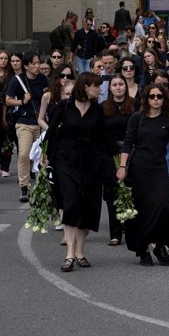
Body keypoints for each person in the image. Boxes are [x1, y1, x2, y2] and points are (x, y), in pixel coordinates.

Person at [47, 73, 109, 272]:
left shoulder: (97, 110)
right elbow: (51, 134)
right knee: (71, 203)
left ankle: (81, 252)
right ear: (86, 87)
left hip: (91, 162)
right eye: (96, 86)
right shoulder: (64, 107)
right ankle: (70, 254)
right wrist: (47, 158)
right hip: (66, 160)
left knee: (87, 205)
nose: (99, 90)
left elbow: (103, 138)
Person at [119, 83, 169, 266]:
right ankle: (143, 250)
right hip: (138, 169)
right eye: (152, 96)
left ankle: (159, 244)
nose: (156, 99)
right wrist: (122, 167)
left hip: (159, 169)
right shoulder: (137, 118)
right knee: (141, 210)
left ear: (164, 100)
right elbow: (127, 143)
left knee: (166, 208)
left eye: (159, 96)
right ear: (146, 99)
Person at [4, 52, 49, 203]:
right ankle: (24, 186)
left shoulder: (43, 79)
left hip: (41, 123)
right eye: (34, 63)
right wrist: (22, 101)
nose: (37, 66)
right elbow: (8, 100)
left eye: (38, 63)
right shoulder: (17, 80)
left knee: (42, 156)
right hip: (24, 122)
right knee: (24, 154)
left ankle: (43, 186)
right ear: (26, 66)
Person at [100, 75, 136, 245]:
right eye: (114, 84)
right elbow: (99, 131)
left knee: (131, 191)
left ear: (125, 86)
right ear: (110, 88)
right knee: (112, 193)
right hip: (110, 153)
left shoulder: (134, 104)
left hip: (131, 153)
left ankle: (131, 229)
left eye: (121, 84)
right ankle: (115, 233)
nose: (118, 87)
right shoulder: (103, 107)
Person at [0, 51, 16, 177]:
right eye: (1, 58)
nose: (3, 61)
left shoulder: (11, 75)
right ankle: (1, 163)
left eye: (6, 58)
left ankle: (5, 166)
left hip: (8, 108)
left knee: (7, 138)